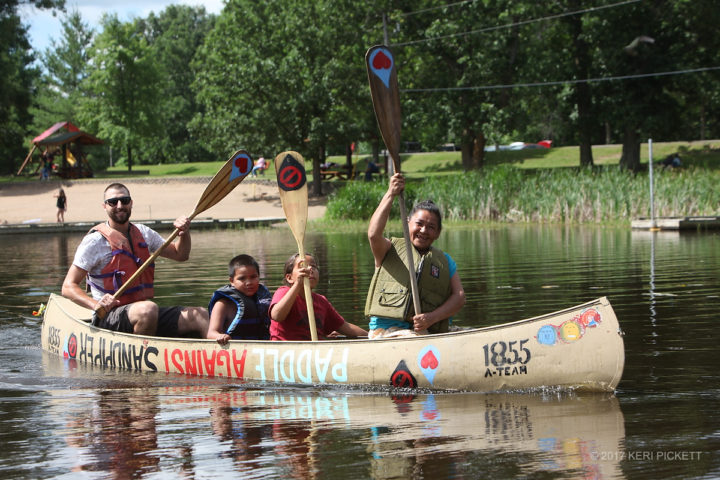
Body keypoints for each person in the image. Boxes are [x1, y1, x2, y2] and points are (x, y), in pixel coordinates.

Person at [61, 182, 209, 337]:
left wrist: (183, 233)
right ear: (105, 206)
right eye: (113, 202)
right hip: (108, 316)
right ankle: (145, 353)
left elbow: (180, 254)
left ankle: (221, 354)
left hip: (143, 313)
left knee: (200, 315)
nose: (119, 206)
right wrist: (96, 304)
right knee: (148, 310)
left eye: (124, 201)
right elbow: (68, 287)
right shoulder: (94, 242)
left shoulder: (144, 233)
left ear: (131, 203)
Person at [366, 173, 465, 338]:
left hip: (426, 330)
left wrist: (431, 318)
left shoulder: (445, 261)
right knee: (414, 337)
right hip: (386, 331)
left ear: (438, 233)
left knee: (465, 333)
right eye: (419, 224)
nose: (424, 231)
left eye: (431, 227)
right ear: (407, 223)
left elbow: (459, 297)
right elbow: (373, 234)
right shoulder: (388, 249)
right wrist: (391, 193)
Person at [269, 253, 367, 341]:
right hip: (288, 353)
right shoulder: (283, 292)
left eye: (314, 266)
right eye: (303, 266)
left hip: (315, 353)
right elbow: (277, 316)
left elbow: (345, 327)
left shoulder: (321, 301)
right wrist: (298, 284)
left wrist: (372, 337)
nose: (310, 269)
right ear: (289, 278)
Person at [207, 254, 272, 344]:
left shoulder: (263, 299)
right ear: (232, 281)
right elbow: (211, 333)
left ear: (258, 276)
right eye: (242, 278)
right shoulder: (222, 304)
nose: (249, 282)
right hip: (234, 351)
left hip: (261, 349)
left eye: (253, 277)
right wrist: (219, 336)